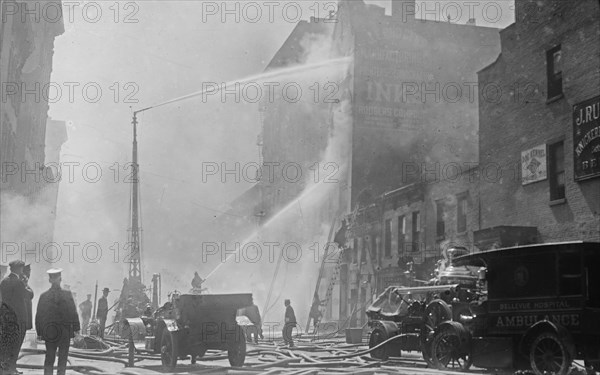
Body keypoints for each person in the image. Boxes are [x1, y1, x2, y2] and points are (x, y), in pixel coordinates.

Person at [35, 268, 81, 375]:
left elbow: (39, 315)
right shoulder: (67, 294)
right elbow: (73, 313)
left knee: (49, 358)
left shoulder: (44, 296)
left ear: (49, 280)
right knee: (62, 359)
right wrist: (76, 329)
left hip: (49, 332)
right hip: (64, 332)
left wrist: (39, 332)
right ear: (61, 279)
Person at [0, 260, 33, 375]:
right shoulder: (18, 282)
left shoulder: (3, 281)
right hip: (18, 320)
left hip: (6, 319)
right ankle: (11, 369)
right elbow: (29, 295)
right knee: (16, 345)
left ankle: (5, 368)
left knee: (6, 344)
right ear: (19, 269)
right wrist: (26, 283)